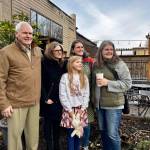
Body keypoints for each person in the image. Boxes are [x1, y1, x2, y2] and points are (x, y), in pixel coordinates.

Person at [0, 21, 41, 150]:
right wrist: (4, 104)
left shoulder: (37, 51)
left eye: (30, 33)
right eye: (25, 33)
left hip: (34, 102)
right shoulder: (6, 52)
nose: (28, 36)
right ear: (17, 34)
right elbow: (0, 79)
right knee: (15, 140)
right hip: (16, 103)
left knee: (33, 139)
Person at [91, 40, 132, 150]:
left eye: (111, 49)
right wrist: (93, 100)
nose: (109, 51)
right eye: (106, 49)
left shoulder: (119, 64)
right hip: (100, 105)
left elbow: (127, 84)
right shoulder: (96, 64)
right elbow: (93, 84)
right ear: (101, 51)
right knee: (103, 132)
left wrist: (108, 83)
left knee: (112, 134)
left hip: (114, 105)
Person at [40, 41, 67, 150]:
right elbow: (40, 82)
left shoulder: (62, 64)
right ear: (51, 51)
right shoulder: (44, 63)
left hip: (59, 99)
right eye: (57, 50)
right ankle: (49, 147)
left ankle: (56, 147)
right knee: (48, 126)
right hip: (49, 99)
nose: (59, 52)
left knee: (57, 127)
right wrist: (45, 97)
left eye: (60, 50)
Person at [59, 56, 89, 150]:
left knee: (78, 134)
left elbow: (86, 94)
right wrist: (70, 111)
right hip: (69, 110)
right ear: (71, 64)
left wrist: (82, 109)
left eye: (81, 62)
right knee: (71, 134)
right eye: (77, 62)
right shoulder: (65, 77)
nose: (80, 63)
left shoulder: (84, 77)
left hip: (81, 110)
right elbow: (62, 95)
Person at [70, 40, 94, 150]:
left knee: (86, 122)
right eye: (78, 47)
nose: (80, 49)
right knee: (75, 123)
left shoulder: (88, 61)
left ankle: (85, 146)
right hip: (73, 99)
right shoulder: (69, 62)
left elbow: (93, 78)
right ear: (73, 49)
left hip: (86, 98)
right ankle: (76, 145)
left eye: (82, 47)